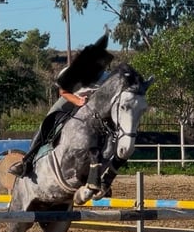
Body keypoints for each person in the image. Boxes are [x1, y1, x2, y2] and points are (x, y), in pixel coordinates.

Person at [8, 34, 114, 177]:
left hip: (93, 105)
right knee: (49, 120)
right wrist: (77, 101)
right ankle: (27, 161)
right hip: (71, 98)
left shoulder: (106, 77)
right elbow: (63, 91)